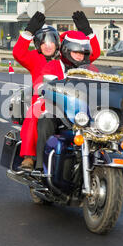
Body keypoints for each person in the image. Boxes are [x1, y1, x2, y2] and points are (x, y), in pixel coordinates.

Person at [14, 11, 100, 170]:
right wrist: (29, 31)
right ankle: (29, 157)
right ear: (38, 44)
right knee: (35, 115)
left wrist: (88, 31)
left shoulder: (72, 58)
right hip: (43, 99)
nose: (47, 45)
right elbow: (19, 53)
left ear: (58, 43)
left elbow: (92, 53)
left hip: (75, 102)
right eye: (43, 42)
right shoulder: (35, 58)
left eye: (51, 41)